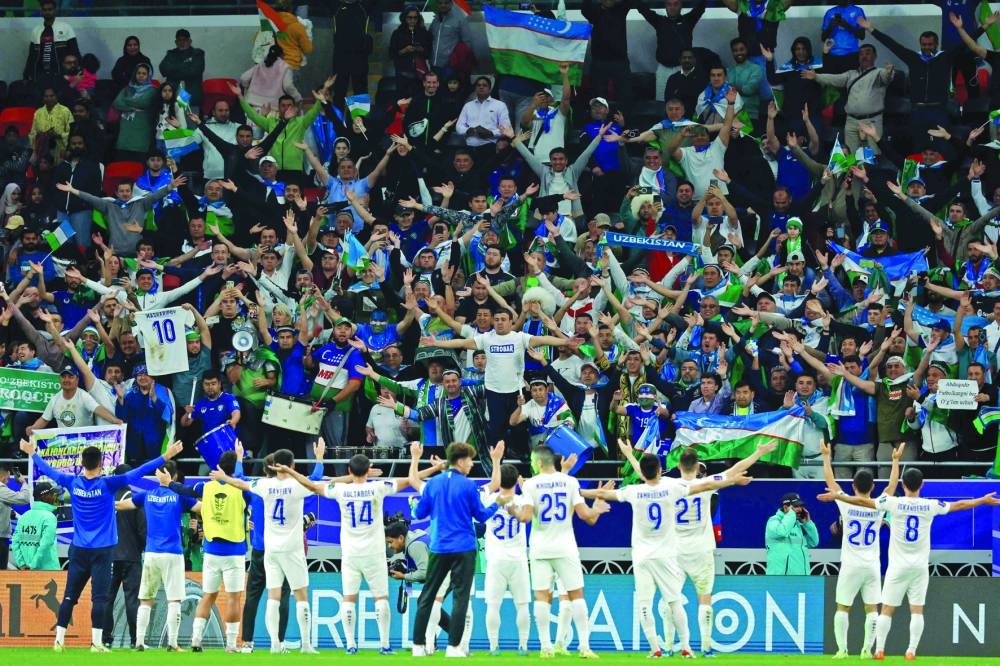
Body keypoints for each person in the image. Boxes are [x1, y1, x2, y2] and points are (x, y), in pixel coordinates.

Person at [584, 439, 751, 657]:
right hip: (673, 552)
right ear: (661, 470)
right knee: (675, 602)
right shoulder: (673, 487)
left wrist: (577, 491)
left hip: (644, 555)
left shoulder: (635, 490)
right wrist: (731, 481)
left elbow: (610, 493)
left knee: (646, 603)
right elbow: (709, 484)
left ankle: (658, 648)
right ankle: (690, 647)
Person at [19, 437, 183, 651]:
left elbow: (48, 471)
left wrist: (32, 453)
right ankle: (97, 643)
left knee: (70, 596)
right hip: (103, 551)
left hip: (78, 549)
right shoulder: (108, 484)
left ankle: (58, 640)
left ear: (82, 463)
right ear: (101, 464)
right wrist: (165, 456)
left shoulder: (72, 482)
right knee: (100, 598)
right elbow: (138, 472)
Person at [821, 469, 1000, 659]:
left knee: (886, 610)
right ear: (921, 485)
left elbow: (865, 501)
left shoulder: (894, 503)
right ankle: (910, 650)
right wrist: (982, 500)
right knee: (916, 610)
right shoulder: (929, 505)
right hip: (919, 567)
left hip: (895, 566)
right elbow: (960, 504)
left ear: (903, 485)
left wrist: (839, 496)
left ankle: (878, 650)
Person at [275, 451, 438, 654]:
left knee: (349, 598)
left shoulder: (341, 491)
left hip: (351, 553)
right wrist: (434, 467)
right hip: (374, 552)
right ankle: (385, 645)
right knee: (381, 598)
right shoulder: (378, 487)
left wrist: (289, 470)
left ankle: (351, 645)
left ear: (350, 471)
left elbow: (312, 485)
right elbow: (410, 479)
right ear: (368, 469)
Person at [406, 441, 510, 657]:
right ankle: (455, 648)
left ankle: (418, 646)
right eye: (470, 460)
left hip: (439, 547)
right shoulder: (469, 486)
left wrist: (415, 458)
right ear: (460, 461)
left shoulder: (434, 484)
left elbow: (418, 512)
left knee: (428, 595)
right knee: (461, 599)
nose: (472, 464)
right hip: (464, 548)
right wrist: (497, 503)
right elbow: (481, 515)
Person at [210, 449, 318, 654]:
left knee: (256, 597)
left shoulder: (261, 488)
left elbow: (240, 480)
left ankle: (249, 643)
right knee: (287, 596)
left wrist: (237, 464)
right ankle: (284, 643)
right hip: (287, 550)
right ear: (289, 465)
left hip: (262, 550)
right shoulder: (294, 486)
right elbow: (314, 481)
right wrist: (319, 459)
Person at [520, 444, 610, 658]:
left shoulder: (530, 484)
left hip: (540, 548)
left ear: (540, 462)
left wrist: (516, 510)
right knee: (576, 595)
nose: (532, 464)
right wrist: (595, 509)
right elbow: (583, 514)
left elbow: (525, 517)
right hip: (566, 547)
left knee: (542, 597)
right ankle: (585, 647)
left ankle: (546, 647)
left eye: (533, 460)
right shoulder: (570, 482)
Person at [820, 439, 903, 659]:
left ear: (853, 486)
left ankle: (842, 650)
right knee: (872, 609)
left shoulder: (845, 501)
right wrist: (895, 461)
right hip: (872, 565)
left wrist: (826, 457)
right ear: (872, 487)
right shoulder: (878, 505)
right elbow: (892, 487)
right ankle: (867, 649)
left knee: (842, 607)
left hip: (850, 564)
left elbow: (831, 480)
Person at [115, 460, 200, 652]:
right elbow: (202, 508)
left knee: (146, 599)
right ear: (174, 476)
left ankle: (139, 642)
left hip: (152, 553)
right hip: (173, 553)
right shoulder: (179, 497)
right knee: (174, 600)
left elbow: (121, 505)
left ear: (157, 474)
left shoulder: (147, 495)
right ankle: (172, 643)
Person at [480, 463, 532, 655]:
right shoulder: (523, 500)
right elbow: (530, 502)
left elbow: (488, 487)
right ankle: (523, 646)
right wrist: (523, 485)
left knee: (493, 605)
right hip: (518, 559)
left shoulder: (489, 500)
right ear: (516, 480)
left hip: (495, 559)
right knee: (522, 604)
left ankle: (494, 646)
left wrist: (495, 462)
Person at [103, 464, 146, 650]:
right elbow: (143, 531)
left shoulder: (106, 499)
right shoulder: (134, 500)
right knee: (132, 599)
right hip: (131, 556)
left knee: (105, 598)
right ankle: (136, 639)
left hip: (107, 556)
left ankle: (103, 638)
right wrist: (138, 549)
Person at [26, 363, 123, 437]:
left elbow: (98, 409)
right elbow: (44, 419)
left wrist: (115, 420)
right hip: (64, 444)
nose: (66, 380)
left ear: (77, 380)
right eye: (63, 377)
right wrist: (33, 428)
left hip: (85, 442)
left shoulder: (83, 396)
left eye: (70, 377)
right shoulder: (55, 399)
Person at [23, 0, 80, 90]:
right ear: (41, 11)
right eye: (45, 10)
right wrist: (26, 73)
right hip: (41, 75)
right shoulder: (36, 30)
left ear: (55, 10)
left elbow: (75, 51)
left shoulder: (65, 27)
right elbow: (32, 55)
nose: (47, 12)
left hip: (61, 74)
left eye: (50, 9)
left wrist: (78, 71)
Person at [11, 479, 62, 570]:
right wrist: (32, 565)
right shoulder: (49, 517)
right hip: (48, 571)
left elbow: (15, 542)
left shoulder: (24, 517)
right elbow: (46, 544)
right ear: (44, 496)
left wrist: (22, 564)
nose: (55, 497)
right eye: (52, 494)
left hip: (26, 570)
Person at [765, 491, 819, 575]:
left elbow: (813, 542)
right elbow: (781, 532)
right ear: (786, 508)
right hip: (779, 580)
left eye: (801, 506)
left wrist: (807, 523)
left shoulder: (798, 525)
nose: (800, 509)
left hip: (801, 579)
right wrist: (791, 515)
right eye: (796, 506)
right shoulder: (774, 521)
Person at [159, 29, 205, 109]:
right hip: (173, 94)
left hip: (190, 94)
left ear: (190, 41)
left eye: (185, 40)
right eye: (179, 40)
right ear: (176, 42)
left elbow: (194, 71)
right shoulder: (171, 54)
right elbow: (163, 70)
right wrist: (185, 66)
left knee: (189, 119)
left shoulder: (197, 54)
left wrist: (173, 69)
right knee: (173, 120)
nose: (182, 42)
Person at [0, 463, 31, 569]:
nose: (8, 480)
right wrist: (24, 482)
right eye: (8, 477)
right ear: (3, 476)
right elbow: (24, 498)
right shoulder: (1, 489)